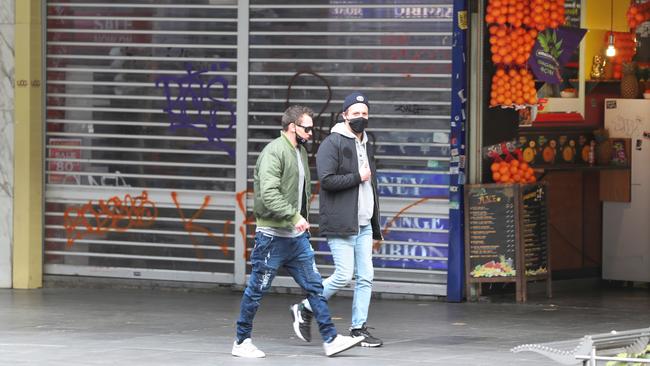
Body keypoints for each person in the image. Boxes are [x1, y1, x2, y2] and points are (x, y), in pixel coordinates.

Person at [232, 105, 363, 358]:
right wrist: (294, 217)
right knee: (256, 290)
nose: (311, 133)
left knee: (314, 287)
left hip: (296, 239)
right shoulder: (274, 152)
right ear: (292, 127)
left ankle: (330, 338)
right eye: (307, 128)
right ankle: (241, 341)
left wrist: (301, 223)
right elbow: (269, 194)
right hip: (272, 238)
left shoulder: (299, 151)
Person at [290, 92, 383, 348]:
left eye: (364, 113)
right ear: (345, 115)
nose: (361, 118)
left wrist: (375, 223)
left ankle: (358, 329)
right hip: (342, 223)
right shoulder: (333, 143)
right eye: (356, 113)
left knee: (366, 277)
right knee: (343, 275)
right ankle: (305, 307)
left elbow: (370, 186)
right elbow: (327, 180)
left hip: (363, 224)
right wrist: (358, 177)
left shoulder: (366, 144)